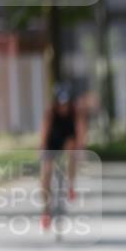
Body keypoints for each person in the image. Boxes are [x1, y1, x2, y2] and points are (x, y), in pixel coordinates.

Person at [40, 82, 87, 229]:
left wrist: (80, 149)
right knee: (45, 173)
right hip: (53, 140)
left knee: (72, 149)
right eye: (61, 104)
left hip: (68, 138)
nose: (63, 107)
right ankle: (46, 210)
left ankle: (70, 185)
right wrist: (42, 149)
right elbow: (44, 132)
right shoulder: (50, 111)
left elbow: (80, 131)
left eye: (66, 103)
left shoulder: (75, 111)